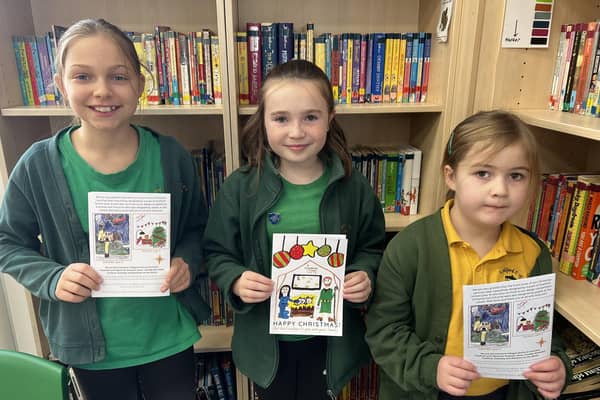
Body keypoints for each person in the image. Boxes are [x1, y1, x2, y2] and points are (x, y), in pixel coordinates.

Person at [0, 18, 209, 400]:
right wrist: (52, 278)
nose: (102, 91)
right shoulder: (38, 165)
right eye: (82, 77)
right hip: (91, 351)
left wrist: (187, 262)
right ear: (61, 85)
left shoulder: (171, 156)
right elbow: (7, 242)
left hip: (169, 337)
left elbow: (198, 230)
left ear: (140, 85)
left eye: (118, 76)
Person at [203, 59, 386, 400]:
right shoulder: (241, 188)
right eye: (281, 118)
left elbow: (373, 247)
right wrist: (237, 280)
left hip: (330, 342)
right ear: (264, 121)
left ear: (330, 119)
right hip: (266, 343)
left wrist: (365, 274)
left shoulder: (353, 186)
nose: (297, 132)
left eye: (311, 117)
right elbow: (217, 253)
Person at [365, 110, 571, 400]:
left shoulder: (533, 254)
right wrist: (430, 367)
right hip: (428, 390)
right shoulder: (410, 247)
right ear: (451, 176)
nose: (499, 190)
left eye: (516, 176)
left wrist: (557, 366)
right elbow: (384, 331)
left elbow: (541, 333)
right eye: (482, 173)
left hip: (502, 392)